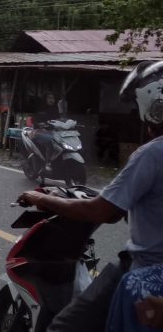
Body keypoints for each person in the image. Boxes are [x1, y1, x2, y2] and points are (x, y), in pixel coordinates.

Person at [18, 60, 163, 331]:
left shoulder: (152, 154)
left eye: (136, 107)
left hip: (145, 270)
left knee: (63, 327)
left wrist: (42, 199)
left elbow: (102, 212)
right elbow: (123, 198)